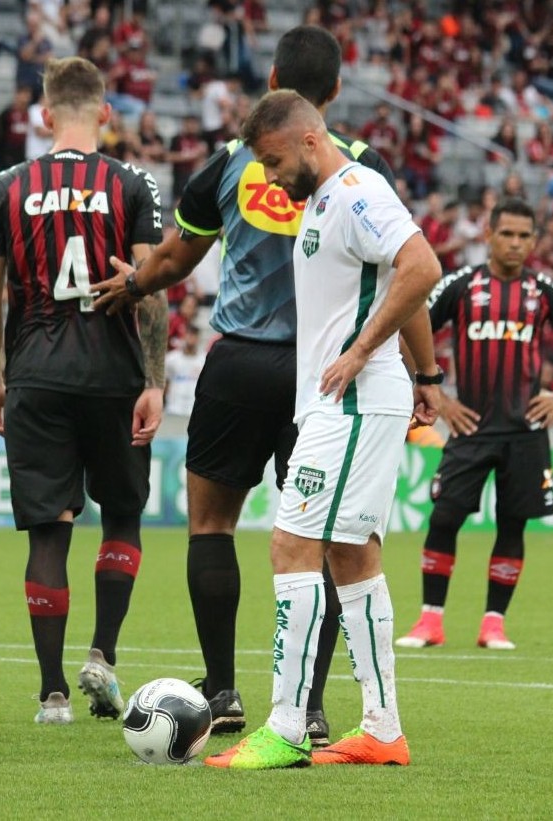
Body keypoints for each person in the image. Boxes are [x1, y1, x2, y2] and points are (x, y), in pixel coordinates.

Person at [91, 26, 399, 746]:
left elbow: (175, 257)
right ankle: (314, 703)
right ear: (334, 92)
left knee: (211, 523)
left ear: (270, 77)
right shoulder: (359, 165)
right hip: (323, 371)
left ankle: (223, 687)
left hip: (239, 364)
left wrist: (131, 281)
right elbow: (396, 264)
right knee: (319, 537)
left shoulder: (231, 162)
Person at [199, 89, 441, 769]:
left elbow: (421, 266)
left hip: (356, 399)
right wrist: (418, 374)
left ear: (308, 139)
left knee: (289, 544)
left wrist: (363, 352)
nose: (270, 178)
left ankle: (286, 723)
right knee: (351, 555)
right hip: (346, 400)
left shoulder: (358, 191)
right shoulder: (322, 201)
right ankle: (382, 728)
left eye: (274, 161)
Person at [0, 57, 167, 725]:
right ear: (106, 115)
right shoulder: (134, 183)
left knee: (49, 532)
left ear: (45, 115)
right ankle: (103, 655)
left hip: (37, 375)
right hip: (113, 376)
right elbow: (149, 289)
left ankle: (52, 692)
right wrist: (155, 380)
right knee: (122, 513)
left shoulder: (4, 187)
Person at [396, 198, 553, 652]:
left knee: (513, 523)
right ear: (488, 235)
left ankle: (493, 624)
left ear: (534, 241)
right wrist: (439, 396)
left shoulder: (546, 290)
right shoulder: (463, 285)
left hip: (525, 430)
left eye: (525, 236)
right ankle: (431, 621)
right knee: (444, 516)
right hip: (470, 427)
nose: (515, 243)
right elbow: (413, 325)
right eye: (507, 233)